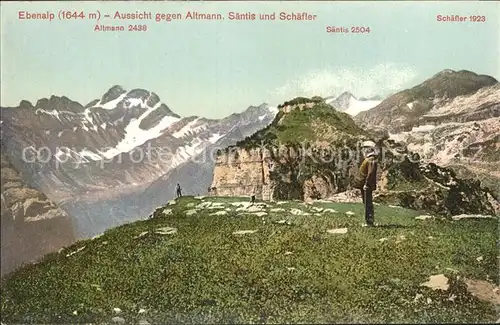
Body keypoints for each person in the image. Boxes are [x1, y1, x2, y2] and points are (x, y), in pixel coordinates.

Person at [355, 147, 378, 226]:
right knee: (367, 203)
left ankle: (369, 222)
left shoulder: (370, 160)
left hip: (366, 185)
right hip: (366, 184)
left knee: (367, 203)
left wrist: (366, 184)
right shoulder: (371, 159)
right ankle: (369, 221)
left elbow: (370, 173)